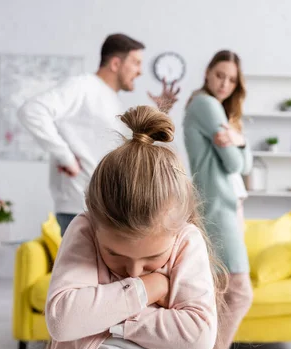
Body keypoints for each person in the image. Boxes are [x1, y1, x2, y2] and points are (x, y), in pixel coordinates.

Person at [41, 106, 227, 349]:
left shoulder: (185, 240)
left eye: (152, 261)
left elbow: (199, 334)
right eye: (114, 255)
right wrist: (147, 288)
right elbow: (63, 320)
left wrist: (107, 318)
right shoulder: (86, 229)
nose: (133, 272)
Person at [18, 33, 180, 235]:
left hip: (104, 208)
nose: (139, 72)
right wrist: (65, 157)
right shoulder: (83, 86)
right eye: (136, 63)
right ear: (115, 63)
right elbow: (32, 110)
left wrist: (161, 110)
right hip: (79, 209)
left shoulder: (112, 99)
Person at [183, 50, 254, 349]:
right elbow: (237, 165)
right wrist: (240, 145)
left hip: (224, 206)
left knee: (220, 290)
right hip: (217, 207)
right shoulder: (205, 105)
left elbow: (247, 161)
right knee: (239, 290)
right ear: (208, 73)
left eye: (231, 79)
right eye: (219, 75)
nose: (224, 83)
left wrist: (238, 140)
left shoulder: (221, 111)